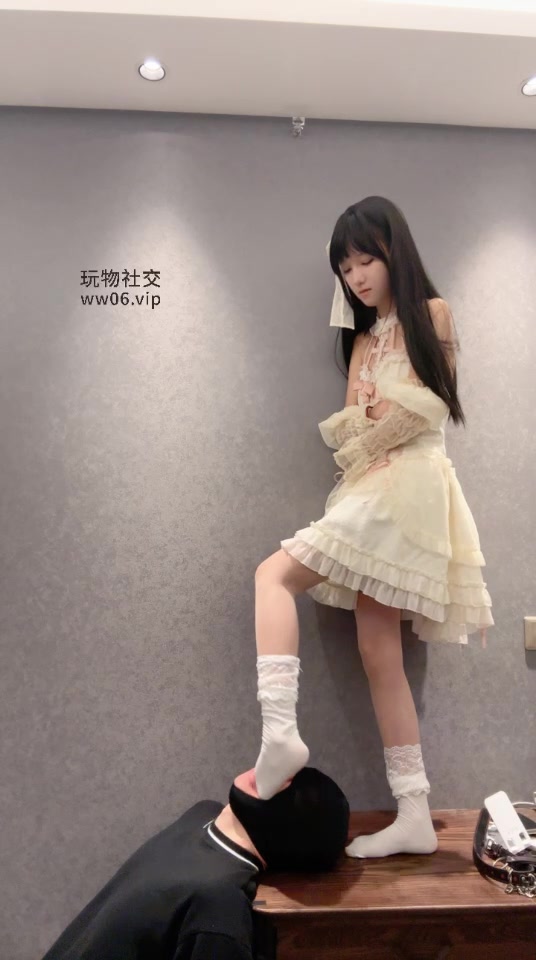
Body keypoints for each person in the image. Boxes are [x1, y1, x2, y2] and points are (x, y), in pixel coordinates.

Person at [253, 196, 493, 859]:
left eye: (366, 260)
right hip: (372, 487)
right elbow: (346, 435)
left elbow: (427, 408)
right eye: (345, 267)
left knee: (273, 576)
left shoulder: (432, 314)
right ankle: (414, 811)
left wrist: (375, 420)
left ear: (394, 252)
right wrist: (375, 420)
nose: (356, 276)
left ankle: (279, 735)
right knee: (377, 649)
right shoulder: (362, 339)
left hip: (407, 488)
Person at [40, 766, 350, 960]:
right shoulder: (202, 815)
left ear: (290, 830)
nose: (276, 769)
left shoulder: (217, 905)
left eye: (296, 790)